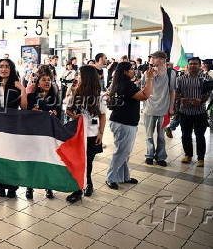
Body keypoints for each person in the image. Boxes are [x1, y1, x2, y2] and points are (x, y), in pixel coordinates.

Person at [106, 62, 154, 190]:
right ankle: (110, 178)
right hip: (123, 123)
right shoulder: (126, 85)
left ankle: (123, 177)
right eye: (131, 69)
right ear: (125, 72)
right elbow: (145, 96)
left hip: (122, 121)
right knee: (121, 152)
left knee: (124, 152)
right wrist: (150, 78)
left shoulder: (120, 83)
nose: (134, 70)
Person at [0, 58, 27, 198]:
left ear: (11, 69)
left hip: (13, 126)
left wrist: (23, 89)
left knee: (12, 157)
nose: (4, 69)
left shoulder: (16, 84)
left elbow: (24, 107)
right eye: (1, 66)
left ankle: (13, 187)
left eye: (7, 66)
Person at [65, 65, 106, 203]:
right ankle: (78, 189)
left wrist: (101, 133)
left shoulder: (99, 96)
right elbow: (68, 110)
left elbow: (102, 116)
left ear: (86, 77)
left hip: (92, 135)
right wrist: (75, 116)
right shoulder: (76, 93)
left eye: (80, 75)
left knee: (88, 162)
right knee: (78, 162)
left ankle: (88, 183)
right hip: (78, 135)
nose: (78, 77)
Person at [25, 66, 61, 200]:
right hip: (33, 135)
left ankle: (48, 187)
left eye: (49, 80)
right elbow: (25, 115)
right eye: (44, 80)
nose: (47, 82)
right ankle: (29, 188)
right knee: (33, 162)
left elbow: (59, 117)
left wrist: (55, 114)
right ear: (38, 83)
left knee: (47, 161)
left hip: (49, 135)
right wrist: (31, 112)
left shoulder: (55, 98)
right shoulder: (30, 97)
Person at [142, 51, 176, 167]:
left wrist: (171, 107)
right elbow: (143, 89)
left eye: (153, 58)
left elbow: (172, 91)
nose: (151, 60)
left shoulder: (171, 73)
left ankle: (161, 157)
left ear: (162, 60)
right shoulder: (147, 72)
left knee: (161, 135)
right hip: (149, 108)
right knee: (149, 134)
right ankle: (149, 155)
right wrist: (150, 78)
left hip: (164, 109)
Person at [177, 57, 211, 167]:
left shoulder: (206, 78)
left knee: (200, 135)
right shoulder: (181, 79)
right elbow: (176, 94)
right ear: (187, 65)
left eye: (195, 64)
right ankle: (188, 155)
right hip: (184, 112)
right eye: (190, 64)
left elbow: (208, 94)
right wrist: (182, 99)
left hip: (200, 112)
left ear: (200, 65)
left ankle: (201, 158)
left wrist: (201, 100)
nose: (192, 66)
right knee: (185, 135)